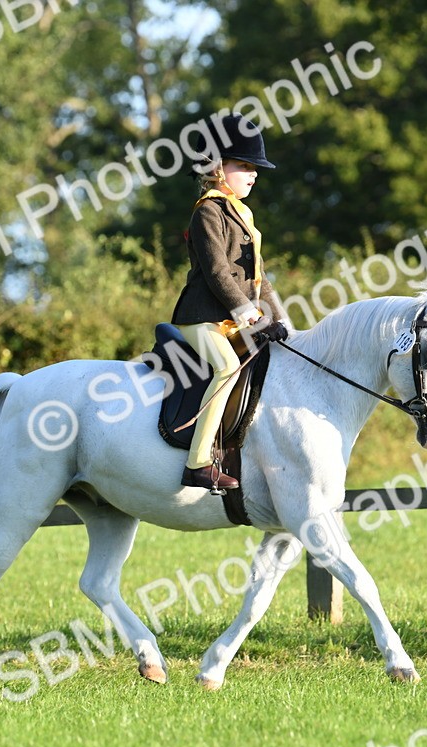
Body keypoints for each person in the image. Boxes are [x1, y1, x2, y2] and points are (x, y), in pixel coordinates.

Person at [170, 113, 289, 491]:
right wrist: (250, 314)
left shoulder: (242, 214)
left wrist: (283, 322)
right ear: (218, 168)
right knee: (228, 368)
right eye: (244, 166)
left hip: (232, 318)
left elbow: (259, 279)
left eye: (255, 168)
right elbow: (218, 272)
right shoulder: (208, 210)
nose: (253, 174)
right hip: (202, 318)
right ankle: (198, 463)